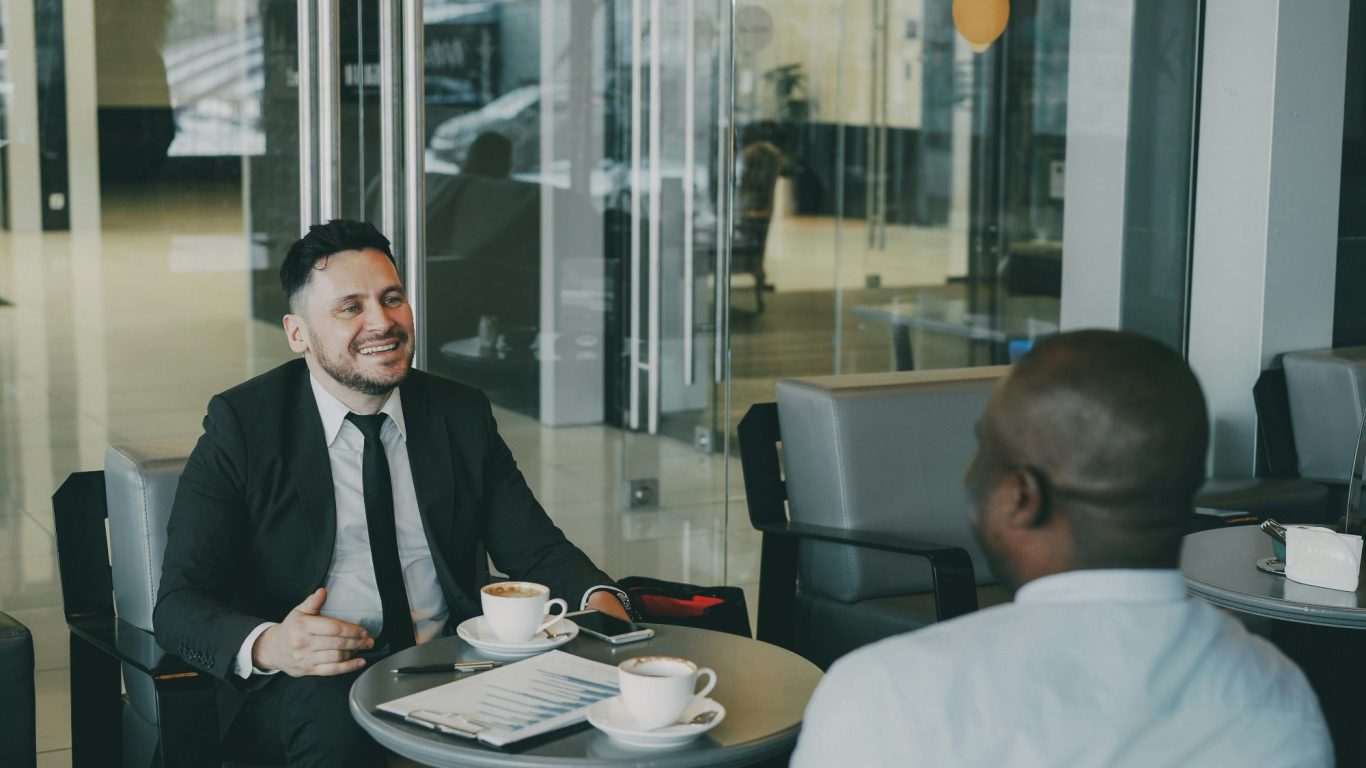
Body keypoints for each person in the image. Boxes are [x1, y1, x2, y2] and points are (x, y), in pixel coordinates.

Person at [154, 220, 632, 767]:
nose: (382, 322)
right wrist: (272, 644)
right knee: (337, 725)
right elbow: (179, 604)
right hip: (312, 675)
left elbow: (537, 550)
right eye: (350, 307)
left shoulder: (459, 412)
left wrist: (603, 605)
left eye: (391, 298)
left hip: (454, 660)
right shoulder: (244, 425)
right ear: (298, 333)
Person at [791, 330, 1331, 767]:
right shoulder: (1277, 697)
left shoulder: (891, 694)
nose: (969, 475)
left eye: (983, 451)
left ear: (1021, 497)